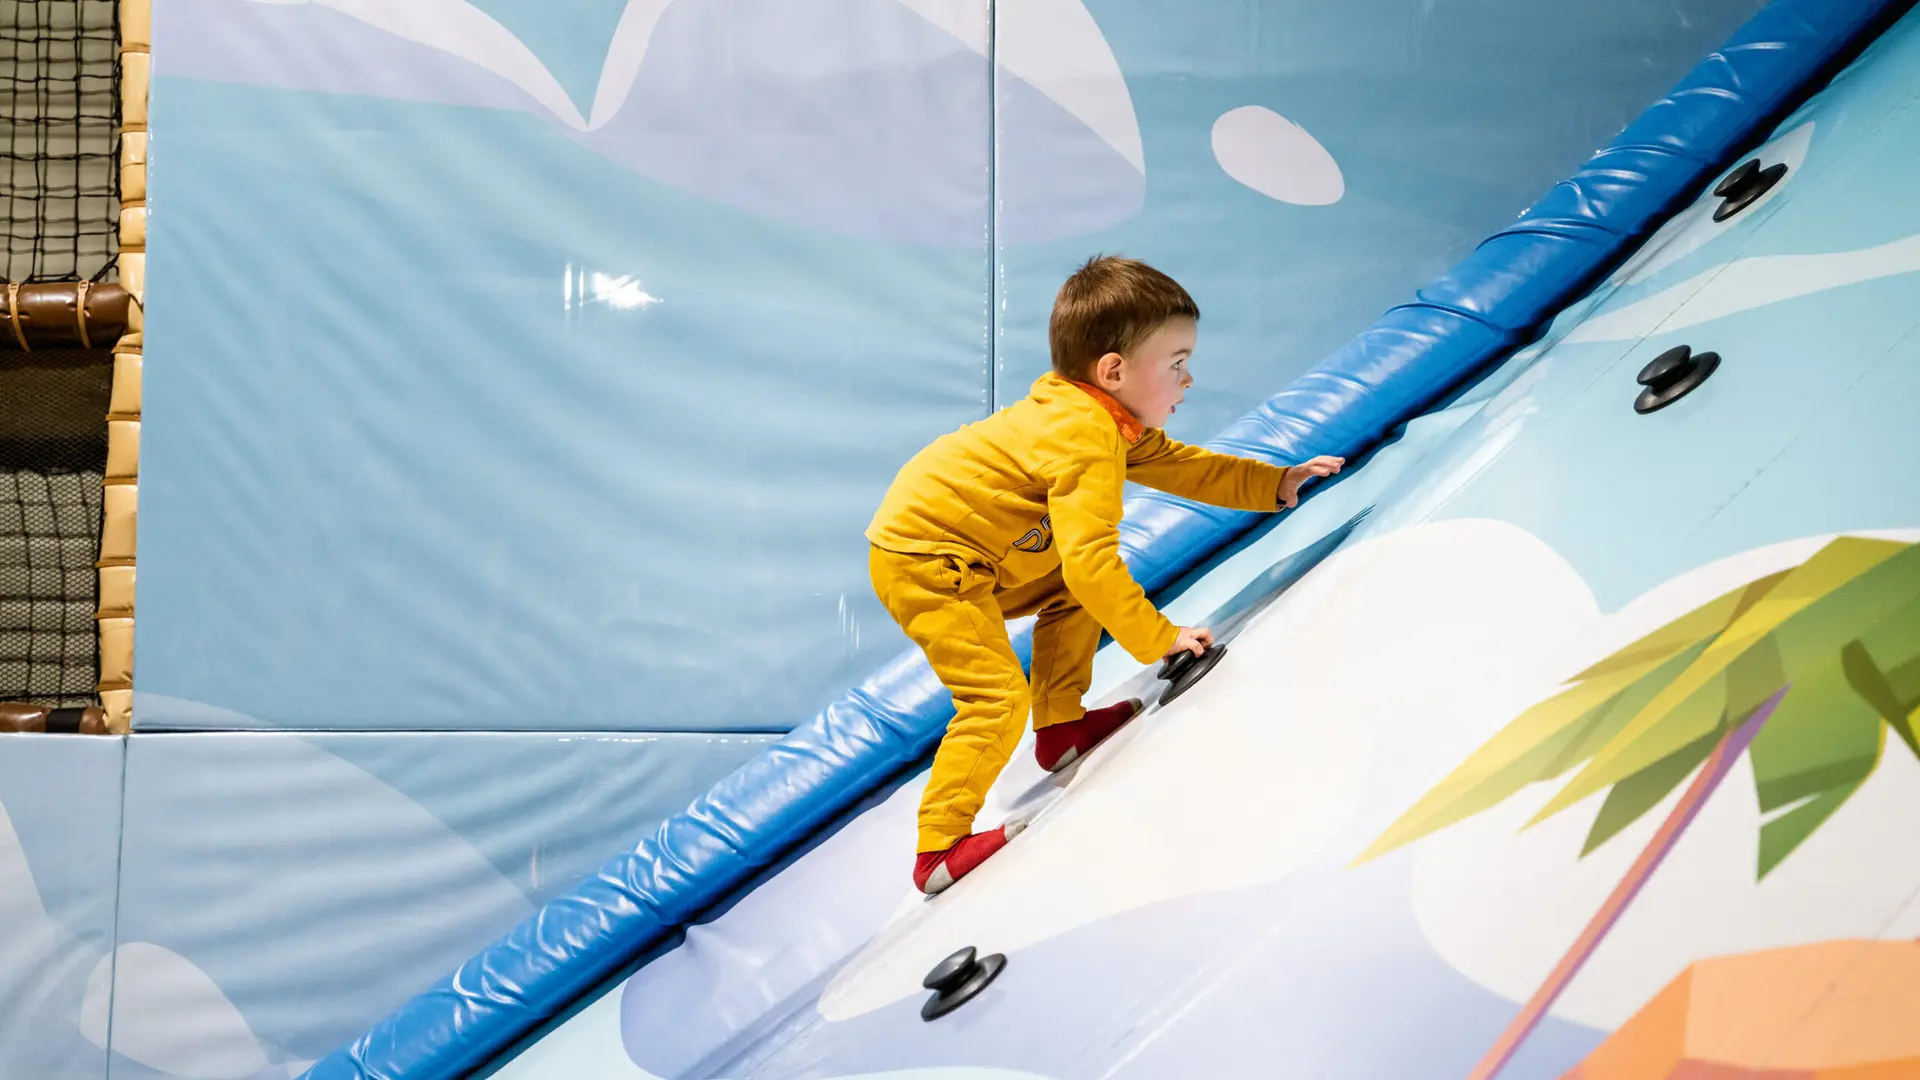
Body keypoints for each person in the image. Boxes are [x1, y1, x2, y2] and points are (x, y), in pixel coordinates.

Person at [866, 255, 1343, 894]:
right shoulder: (1084, 433)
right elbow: (1094, 562)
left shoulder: (1100, 418)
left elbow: (1186, 468)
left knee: (1067, 586)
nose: (1188, 380)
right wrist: (1161, 638)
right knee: (995, 698)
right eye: (1176, 365)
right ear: (1113, 371)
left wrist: (1274, 483)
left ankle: (1061, 727)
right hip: (926, 558)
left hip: (987, 553)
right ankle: (938, 850)